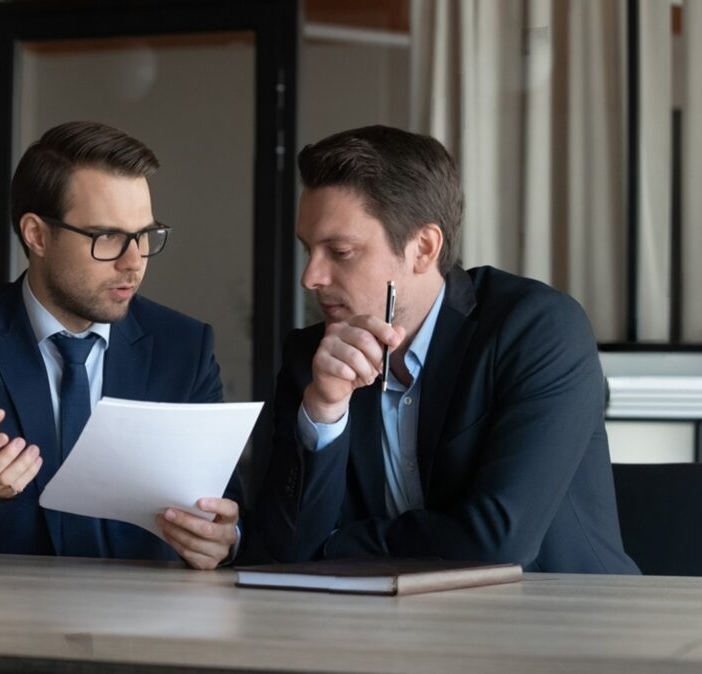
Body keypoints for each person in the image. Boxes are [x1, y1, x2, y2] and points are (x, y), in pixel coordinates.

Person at [255, 125, 638, 573]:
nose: (311, 277)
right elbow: (285, 549)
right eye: (308, 250)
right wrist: (324, 411)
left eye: (339, 252)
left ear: (423, 248)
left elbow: (498, 542)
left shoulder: (537, 330)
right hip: (387, 630)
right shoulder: (313, 358)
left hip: (558, 623)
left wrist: (339, 543)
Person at [0, 121, 239, 569]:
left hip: (149, 624)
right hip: (1, 625)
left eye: (144, 235)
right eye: (108, 237)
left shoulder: (186, 348)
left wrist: (225, 537)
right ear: (37, 235)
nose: (134, 262)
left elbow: (225, 508)